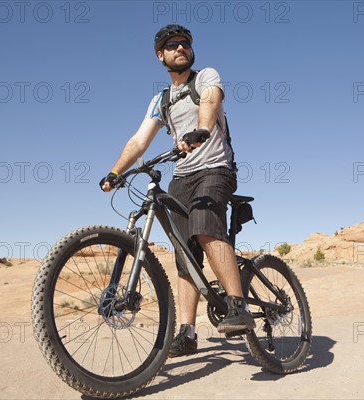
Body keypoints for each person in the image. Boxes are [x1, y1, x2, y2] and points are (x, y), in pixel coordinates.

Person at [99, 24, 255, 358]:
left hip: (215, 169)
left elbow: (210, 104)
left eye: (185, 43)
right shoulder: (161, 99)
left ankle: (238, 305)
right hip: (182, 178)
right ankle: (187, 331)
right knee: (184, 254)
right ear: (161, 55)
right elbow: (140, 141)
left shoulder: (205, 77)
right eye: (172, 45)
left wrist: (202, 129)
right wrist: (116, 171)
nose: (180, 48)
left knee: (203, 226)